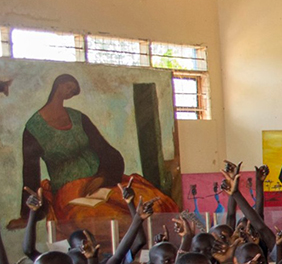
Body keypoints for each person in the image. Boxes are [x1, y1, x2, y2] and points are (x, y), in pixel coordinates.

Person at [10, 74, 177, 231]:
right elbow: (30, 172)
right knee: (108, 220)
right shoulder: (34, 129)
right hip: (70, 192)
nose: (69, 92)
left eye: (73, 91)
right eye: (68, 87)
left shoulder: (78, 117)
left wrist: (103, 177)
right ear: (58, 85)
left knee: (154, 204)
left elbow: (106, 150)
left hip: (102, 183)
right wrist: (28, 214)